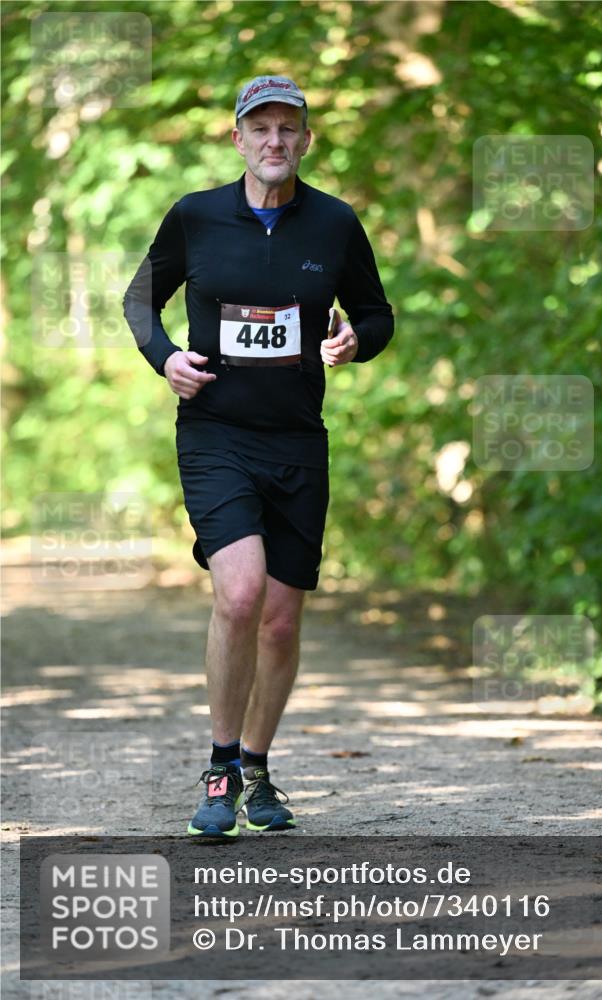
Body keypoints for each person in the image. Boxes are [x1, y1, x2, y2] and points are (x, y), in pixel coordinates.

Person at [123, 74, 393, 837]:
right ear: (236, 138)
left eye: (288, 129)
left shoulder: (335, 224)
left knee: (279, 619)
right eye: (260, 128)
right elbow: (139, 298)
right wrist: (165, 358)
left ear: (306, 140)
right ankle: (219, 771)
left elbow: (376, 314)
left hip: (297, 438)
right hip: (215, 432)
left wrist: (354, 341)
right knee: (238, 594)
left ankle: (259, 768)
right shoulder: (196, 217)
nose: (274, 141)